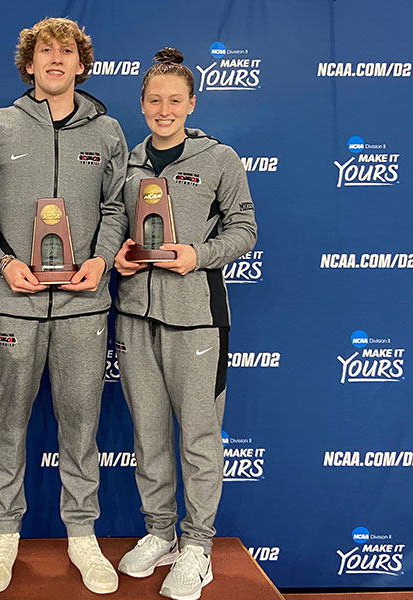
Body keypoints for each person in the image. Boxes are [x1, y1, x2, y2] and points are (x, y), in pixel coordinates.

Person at [0, 17, 128, 596]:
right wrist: (4, 263)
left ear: (81, 64)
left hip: (85, 305)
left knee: (81, 422)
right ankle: (4, 533)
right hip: (14, 303)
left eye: (66, 52)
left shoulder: (107, 130)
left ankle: (82, 534)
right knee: (7, 420)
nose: (55, 60)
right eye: (44, 51)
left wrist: (101, 260)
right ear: (28, 64)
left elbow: (116, 209)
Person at [113, 48, 257, 600]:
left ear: (191, 103)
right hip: (134, 315)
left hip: (197, 318)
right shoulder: (126, 162)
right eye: (155, 100)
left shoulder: (219, 158)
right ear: (143, 104)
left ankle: (197, 547)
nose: (164, 109)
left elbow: (245, 229)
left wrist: (197, 254)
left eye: (175, 99)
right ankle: (160, 533)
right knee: (148, 434)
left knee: (198, 437)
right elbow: (115, 231)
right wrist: (121, 258)